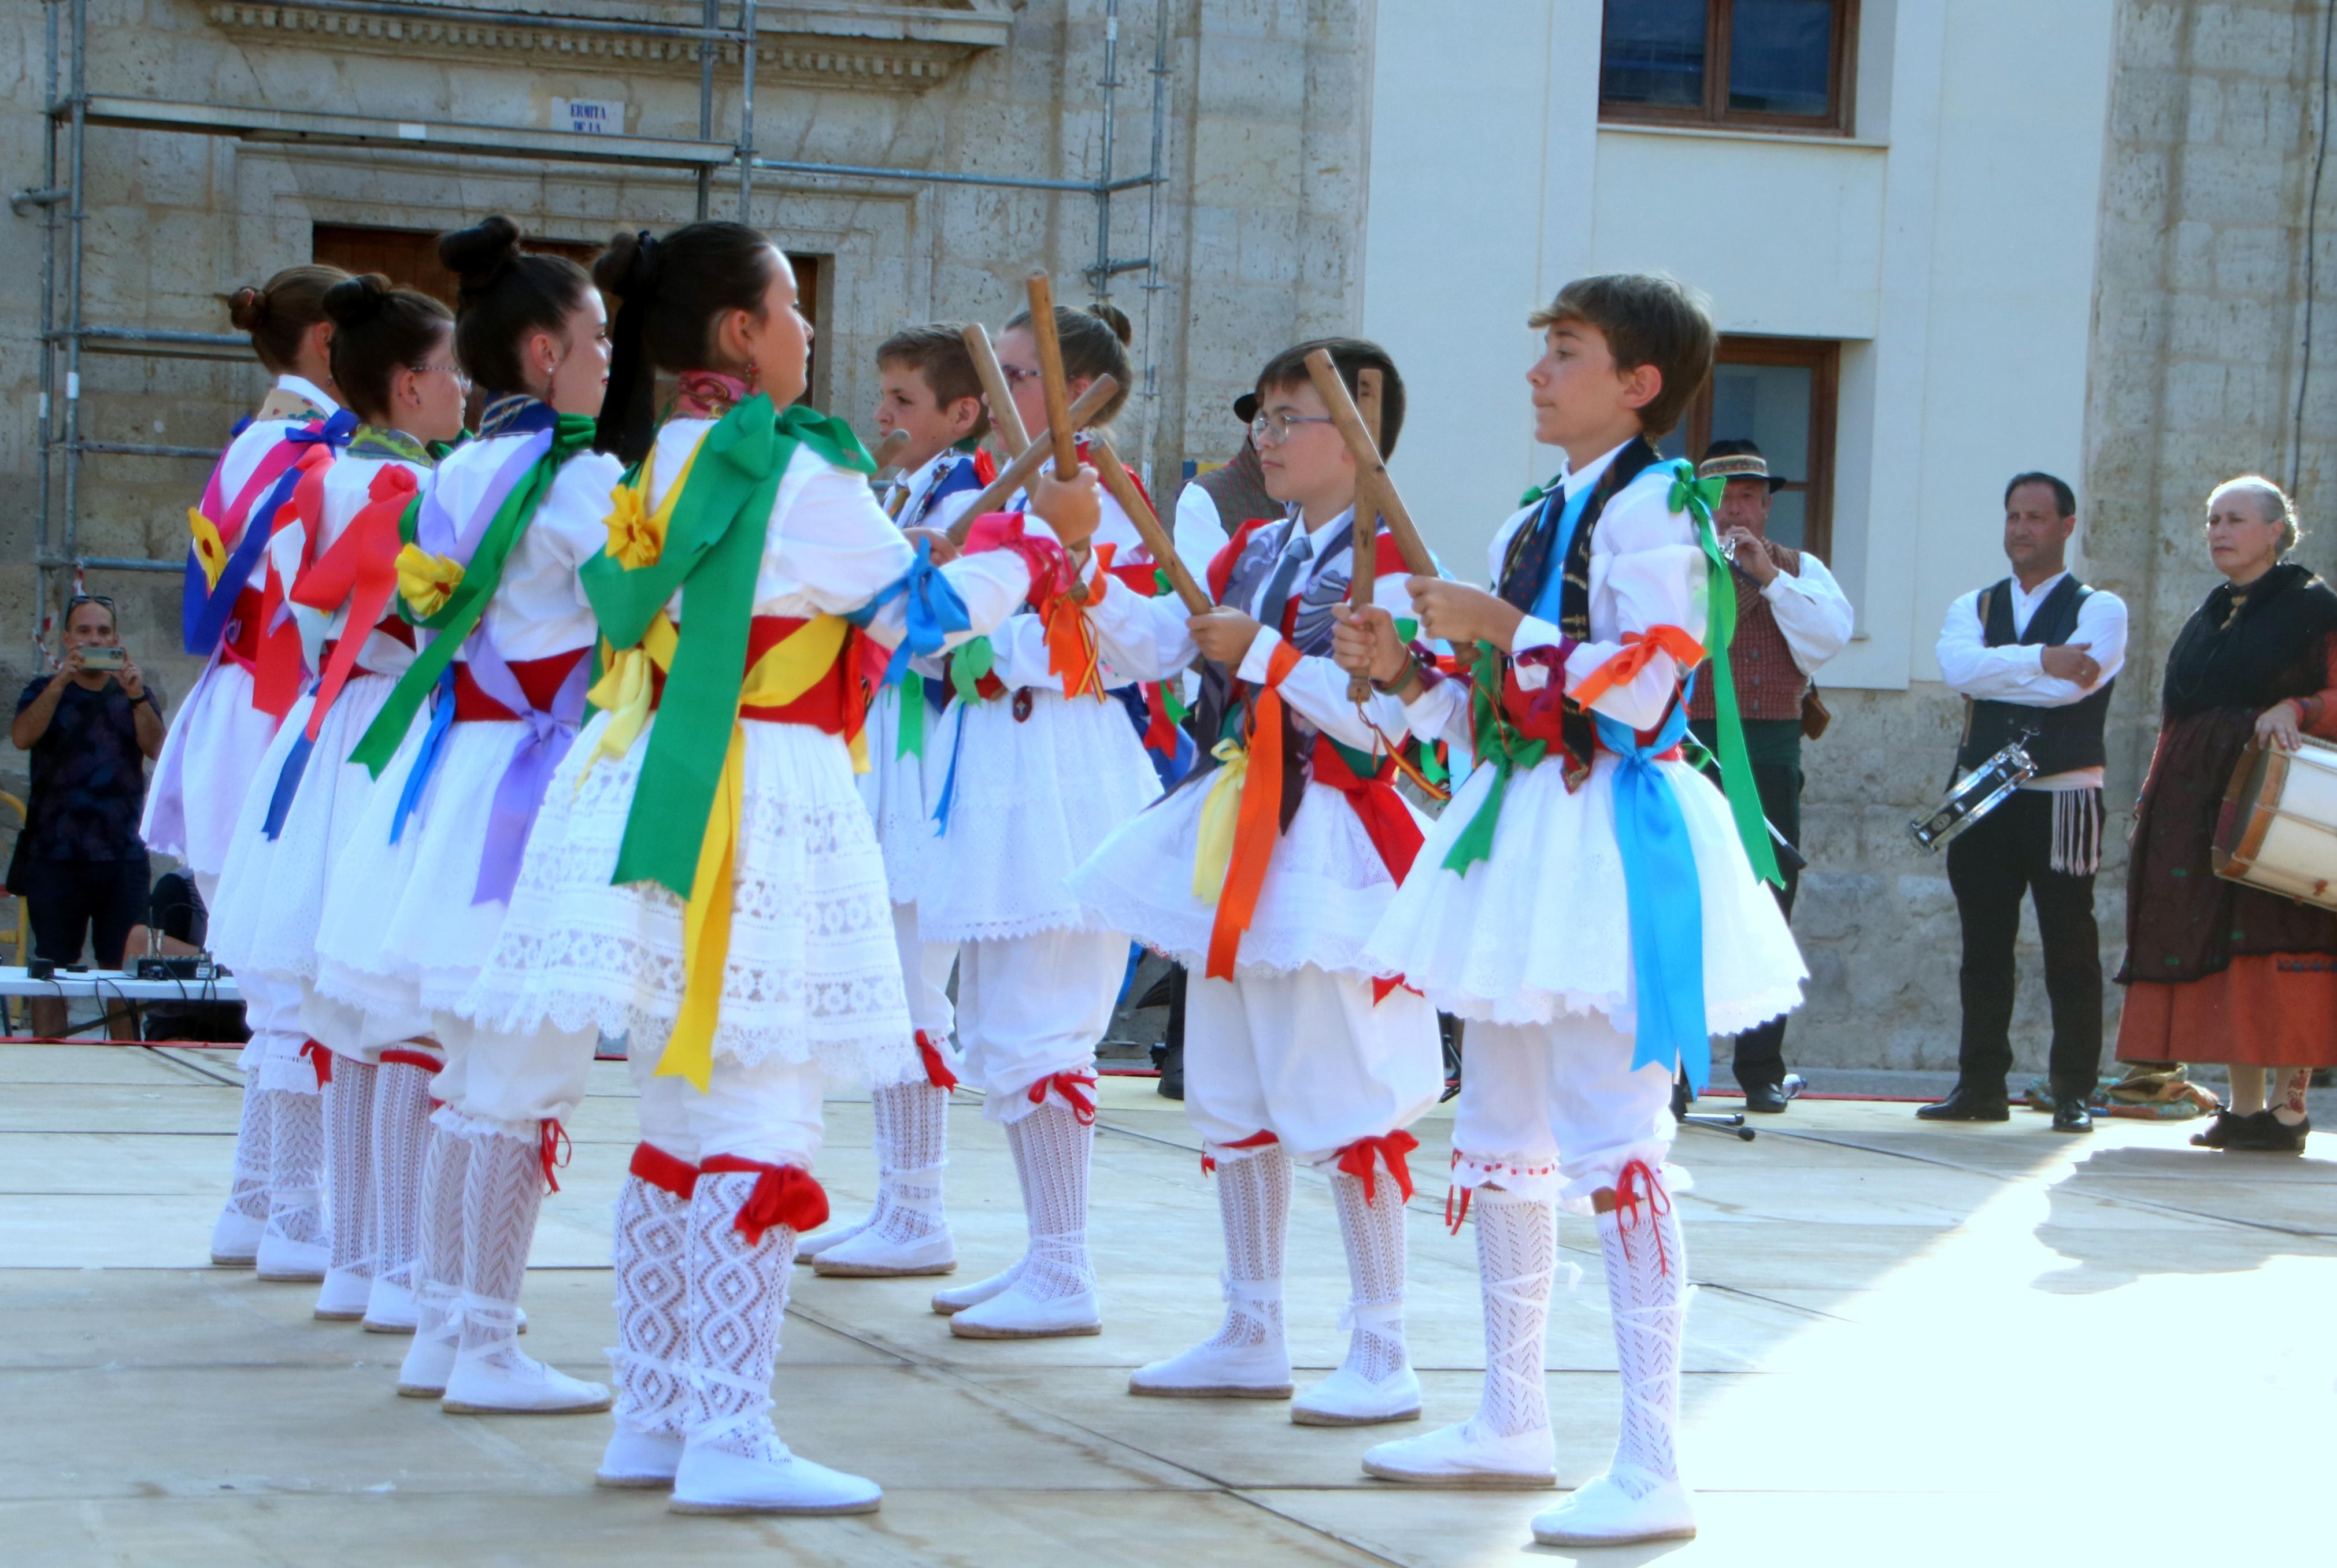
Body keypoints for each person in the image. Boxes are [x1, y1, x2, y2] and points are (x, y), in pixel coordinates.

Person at [460, 221, 1101, 1514]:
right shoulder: (798, 466)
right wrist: (1041, 548)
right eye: (791, 309)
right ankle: (731, 1432)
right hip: (756, 790)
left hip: (653, 776)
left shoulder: (664, 454)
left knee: (682, 1114)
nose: (810, 331)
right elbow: (913, 619)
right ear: (741, 335)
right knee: (757, 1107)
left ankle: (654, 1410)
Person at [1333, 272, 1804, 1549]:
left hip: (1604, 840)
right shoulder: (1536, 511)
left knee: (1615, 1140)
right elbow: (1483, 704)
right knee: (1498, 1124)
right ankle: (1508, 1415)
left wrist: (1500, 628)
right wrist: (1411, 668)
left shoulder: (1659, 509)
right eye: (1541, 348)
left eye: (1564, 351)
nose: (1537, 371)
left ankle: (1652, 1460)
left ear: (1637, 382)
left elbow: (1646, 694)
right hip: (1521, 834)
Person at [1066, 337, 1445, 1425]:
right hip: (1240, 823)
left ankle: (1382, 1343)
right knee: (1230, 1078)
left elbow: (1379, 721)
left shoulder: (1392, 565)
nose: (1265, 438)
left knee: (1340, 1082)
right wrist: (1086, 561)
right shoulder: (1251, 547)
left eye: (1291, 419)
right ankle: (1250, 1323)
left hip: (1325, 831)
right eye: (1262, 420)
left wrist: (1267, 657)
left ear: (1360, 434)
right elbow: (1156, 647)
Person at [309, 217, 621, 1415]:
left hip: (459, 774)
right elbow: (639, 608)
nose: (607, 356)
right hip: (533, 786)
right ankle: (485, 1339)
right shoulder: (579, 476)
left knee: (468, 1072)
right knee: (522, 1074)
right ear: (543, 352)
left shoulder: (465, 467)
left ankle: (446, 1324)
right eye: (593, 338)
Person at [916, 303, 1215, 1342]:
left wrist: (1076, 567)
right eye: (994, 371)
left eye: (1015, 371)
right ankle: (1044, 1252)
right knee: (1001, 1022)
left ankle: (1067, 1267)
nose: (996, 391)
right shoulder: (991, 492)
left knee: (1045, 1019)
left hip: (1062, 758)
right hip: (990, 749)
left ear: (1078, 391)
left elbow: (1159, 645)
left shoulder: (1109, 499)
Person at [206, 273, 466, 1329]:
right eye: (453, 371)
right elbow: (419, 620)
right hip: (386, 735)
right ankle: (396, 1263)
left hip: (325, 729)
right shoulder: (405, 493)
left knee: (350, 1014)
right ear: (406, 387)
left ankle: (358, 1253)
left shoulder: (309, 473)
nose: (465, 389)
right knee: (393, 1004)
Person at [143, 262, 351, 1276]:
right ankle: (293, 1214)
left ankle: (260, 1201)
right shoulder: (317, 449)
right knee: (296, 984)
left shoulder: (255, 437)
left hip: (234, 710)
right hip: (277, 711)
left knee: (275, 988)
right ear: (326, 344)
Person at [797, 323, 993, 1280]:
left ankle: (918, 1204)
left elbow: (935, 630)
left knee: (914, 971)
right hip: (886, 741)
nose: (881, 416)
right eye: (882, 397)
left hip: (923, 751)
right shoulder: (912, 486)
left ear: (963, 411)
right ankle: (899, 1196)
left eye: (904, 400)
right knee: (892, 969)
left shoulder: (967, 489)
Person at [2116, 476, 2336, 1152]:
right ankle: (2243, 1110)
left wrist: (2294, 709)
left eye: (2234, 519)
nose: (2217, 530)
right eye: (2211, 518)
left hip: (2277, 806)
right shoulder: (2211, 612)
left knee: (2279, 948)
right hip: (2199, 808)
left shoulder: (2312, 605)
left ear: (2275, 530)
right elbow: (2180, 712)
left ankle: (2288, 1113)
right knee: (2229, 955)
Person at [1922, 472, 2126, 1133]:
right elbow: (1957, 671)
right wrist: (2043, 657)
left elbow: (2072, 691)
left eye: (2035, 516)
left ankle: (2072, 1089)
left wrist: (2003, 671)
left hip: (2061, 796)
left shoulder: (2101, 608)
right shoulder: (1971, 607)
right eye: (2012, 514)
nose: (2020, 528)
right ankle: (1979, 1084)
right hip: (1983, 799)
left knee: (2069, 943)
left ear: (2066, 526)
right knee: (1983, 947)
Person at [1686, 439, 1853, 1112]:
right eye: (1724, 496)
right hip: (1692, 754)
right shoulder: (1673, 569)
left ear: (1767, 503)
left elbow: (1826, 640)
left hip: (1771, 755)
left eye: (1749, 496)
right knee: (1687, 904)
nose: (1737, 509)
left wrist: (1768, 579)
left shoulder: (1800, 567)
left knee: (1768, 906)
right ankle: (1675, 1071)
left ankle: (1759, 1070)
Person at [10, 595, 165, 1040]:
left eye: (102, 632)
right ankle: (49, 1067)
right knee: (50, 972)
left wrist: (136, 695)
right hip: (54, 855)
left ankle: (127, 1069)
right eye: (84, 632)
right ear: (66, 639)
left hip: (120, 857)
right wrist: (61, 683)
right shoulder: (42, 689)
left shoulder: (135, 694)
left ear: (116, 640)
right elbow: (22, 736)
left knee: (124, 973)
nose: (93, 639)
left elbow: (159, 749)